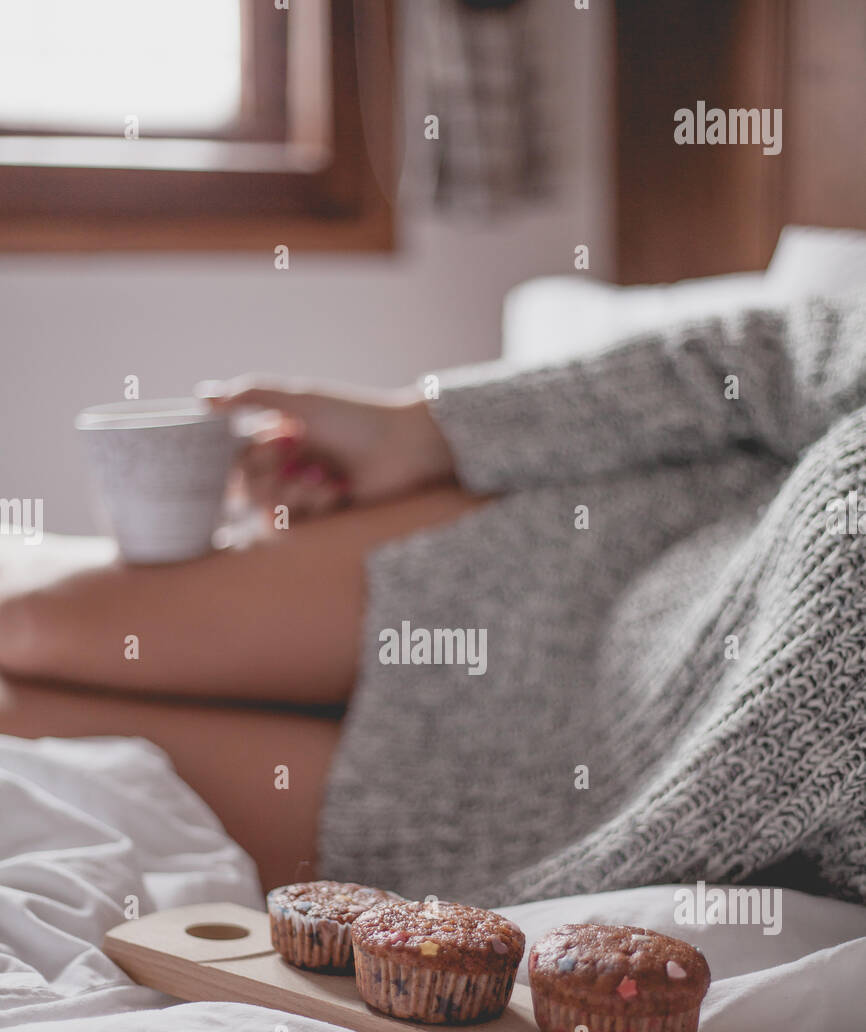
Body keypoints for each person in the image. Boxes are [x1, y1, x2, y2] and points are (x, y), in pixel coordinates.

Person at [1, 294, 864, 906]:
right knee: (26, 624)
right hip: (557, 563)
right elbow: (773, 356)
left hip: (524, 824)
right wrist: (424, 430)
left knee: (22, 720)